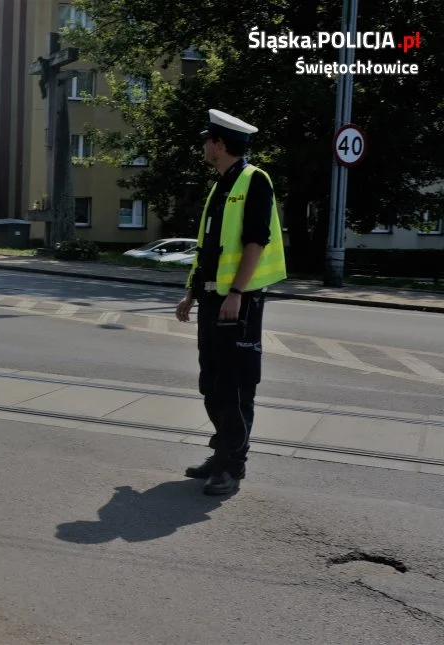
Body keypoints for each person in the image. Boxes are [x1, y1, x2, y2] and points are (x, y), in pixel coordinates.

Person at [175, 109, 287, 496]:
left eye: (208, 139)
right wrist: (191, 292)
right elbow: (209, 249)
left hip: (239, 302)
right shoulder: (222, 185)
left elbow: (257, 241)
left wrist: (237, 293)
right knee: (213, 383)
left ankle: (233, 465)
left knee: (236, 385)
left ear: (220, 144)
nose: (205, 145)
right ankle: (221, 453)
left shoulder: (255, 180)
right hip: (211, 300)